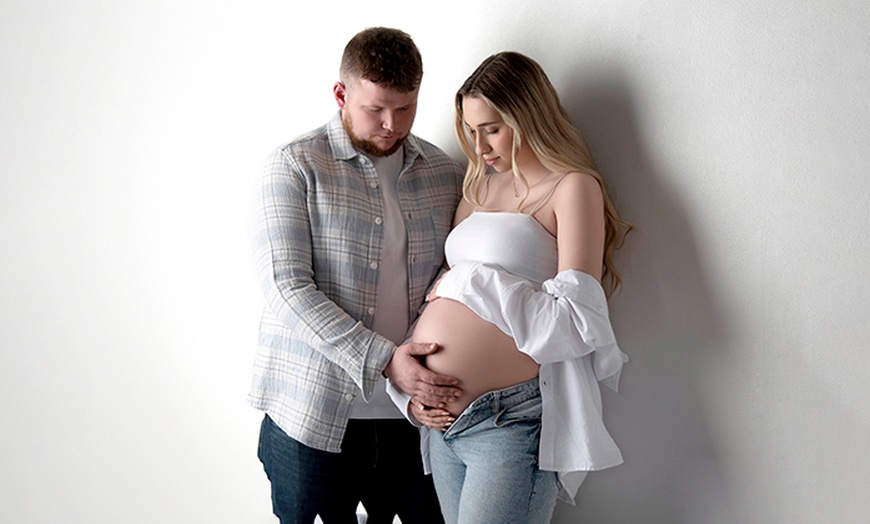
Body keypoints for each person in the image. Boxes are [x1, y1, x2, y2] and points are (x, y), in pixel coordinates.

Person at [388, 51, 633, 523]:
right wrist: (414, 391)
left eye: (492, 129)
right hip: (441, 424)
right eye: (471, 131)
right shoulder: (477, 188)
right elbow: (439, 295)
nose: (479, 148)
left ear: (529, 116)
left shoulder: (572, 187)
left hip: (510, 421)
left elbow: (577, 321)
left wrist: (471, 279)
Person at [249, 27, 465, 524]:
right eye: (376, 109)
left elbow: (456, 280)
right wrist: (386, 360)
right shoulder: (294, 166)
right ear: (341, 94)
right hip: (311, 414)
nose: (392, 124)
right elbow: (285, 287)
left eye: (406, 107)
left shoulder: (445, 173)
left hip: (412, 420)